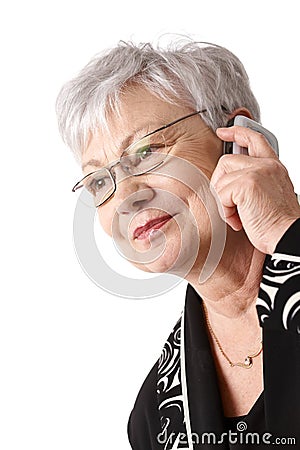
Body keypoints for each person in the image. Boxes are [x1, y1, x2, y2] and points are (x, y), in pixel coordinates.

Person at [56, 39, 300, 449]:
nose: (126, 195)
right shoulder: (153, 416)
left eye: (147, 151)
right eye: (100, 181)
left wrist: (285, 230)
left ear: (237, 142)